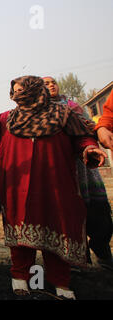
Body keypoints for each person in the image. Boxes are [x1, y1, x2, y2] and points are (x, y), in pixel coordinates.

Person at [0, 75, 106, 300]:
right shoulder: (7, 117)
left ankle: (60, 282)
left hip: (56, 185)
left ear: (36, 90)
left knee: (58, 230)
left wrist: (89, 149)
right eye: (15, 91)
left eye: (23, 90)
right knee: (21, 236)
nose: (18, 94)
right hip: (18, 187)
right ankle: (21, 279)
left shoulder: (63, 114)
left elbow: (82, 137)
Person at [43, 77, 113, 271]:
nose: (51, 85)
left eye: (53, 82)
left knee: (99, 215)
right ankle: (74, 259)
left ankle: (103, 253)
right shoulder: (38, 113)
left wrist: (89, 144)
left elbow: (91, 127)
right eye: (46, 84)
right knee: (67, 218)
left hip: (83, 167)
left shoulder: (73, 106)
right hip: (59, 169)